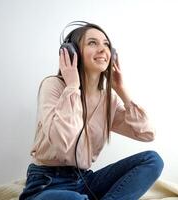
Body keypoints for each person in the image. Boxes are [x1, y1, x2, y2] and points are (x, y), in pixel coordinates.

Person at [19, 21, 164, 200]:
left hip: (84, 180)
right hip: (47, 182)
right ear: (72, 52)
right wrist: (72, 86)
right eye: (92, 43)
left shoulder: (108, 99)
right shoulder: (54, 86)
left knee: (152, 160)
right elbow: (62, 143)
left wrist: (121, 89)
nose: (103, 49)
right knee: (72, 199)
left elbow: (147, 134)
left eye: (106, 44)